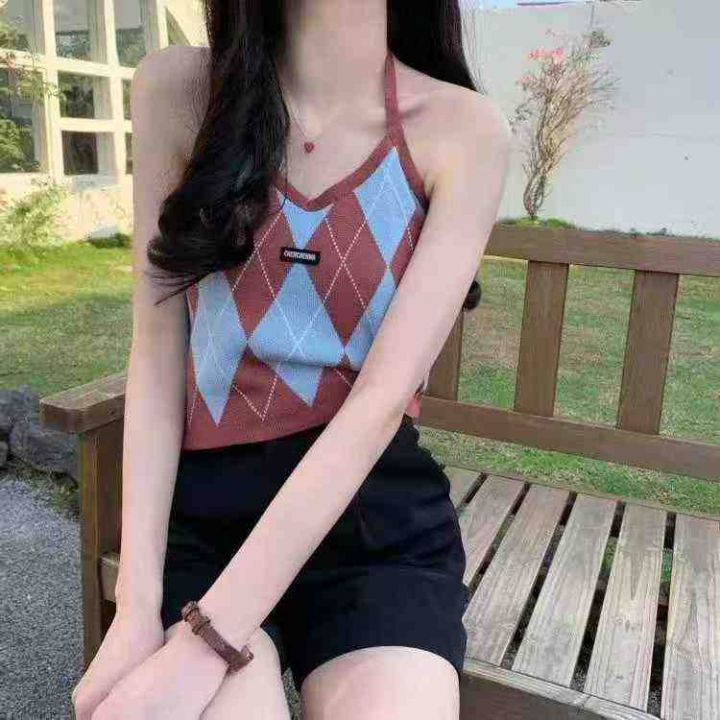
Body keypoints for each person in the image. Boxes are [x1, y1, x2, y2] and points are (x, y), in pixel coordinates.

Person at [72, 1, 511, 718]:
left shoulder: (463, 129)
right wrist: (136, 608)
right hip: (208, 523)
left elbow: (379, 405)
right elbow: (156, 352)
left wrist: (203, 646)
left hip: (371, 528)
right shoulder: (181, 93)